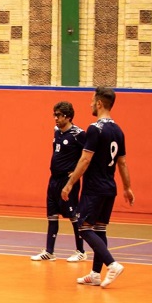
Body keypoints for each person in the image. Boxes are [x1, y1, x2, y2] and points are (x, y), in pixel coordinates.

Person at [62, 87, 134, 288]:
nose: (90, 104)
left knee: (84, 228)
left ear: (99, 103)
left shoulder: (95, 129)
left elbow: (85, 160)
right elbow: (122, 163)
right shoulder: (118, 130)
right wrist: (127, 187)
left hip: (94, 188)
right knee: (100, 229)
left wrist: (69, 183)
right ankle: (95, 274)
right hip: (110, 187)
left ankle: (112, 264)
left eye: (92, 101)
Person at [31, 101, 87, 262]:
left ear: (68, 117)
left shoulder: (78, 134)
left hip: (68, 181)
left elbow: (89, 156)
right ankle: (50, 251)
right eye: (54, 115)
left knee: (73, 215)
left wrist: (76, 172)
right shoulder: (56, 131)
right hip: (54, 180)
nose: (55, 118)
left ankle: (81, 251)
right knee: (52, 214)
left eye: (59, 115)